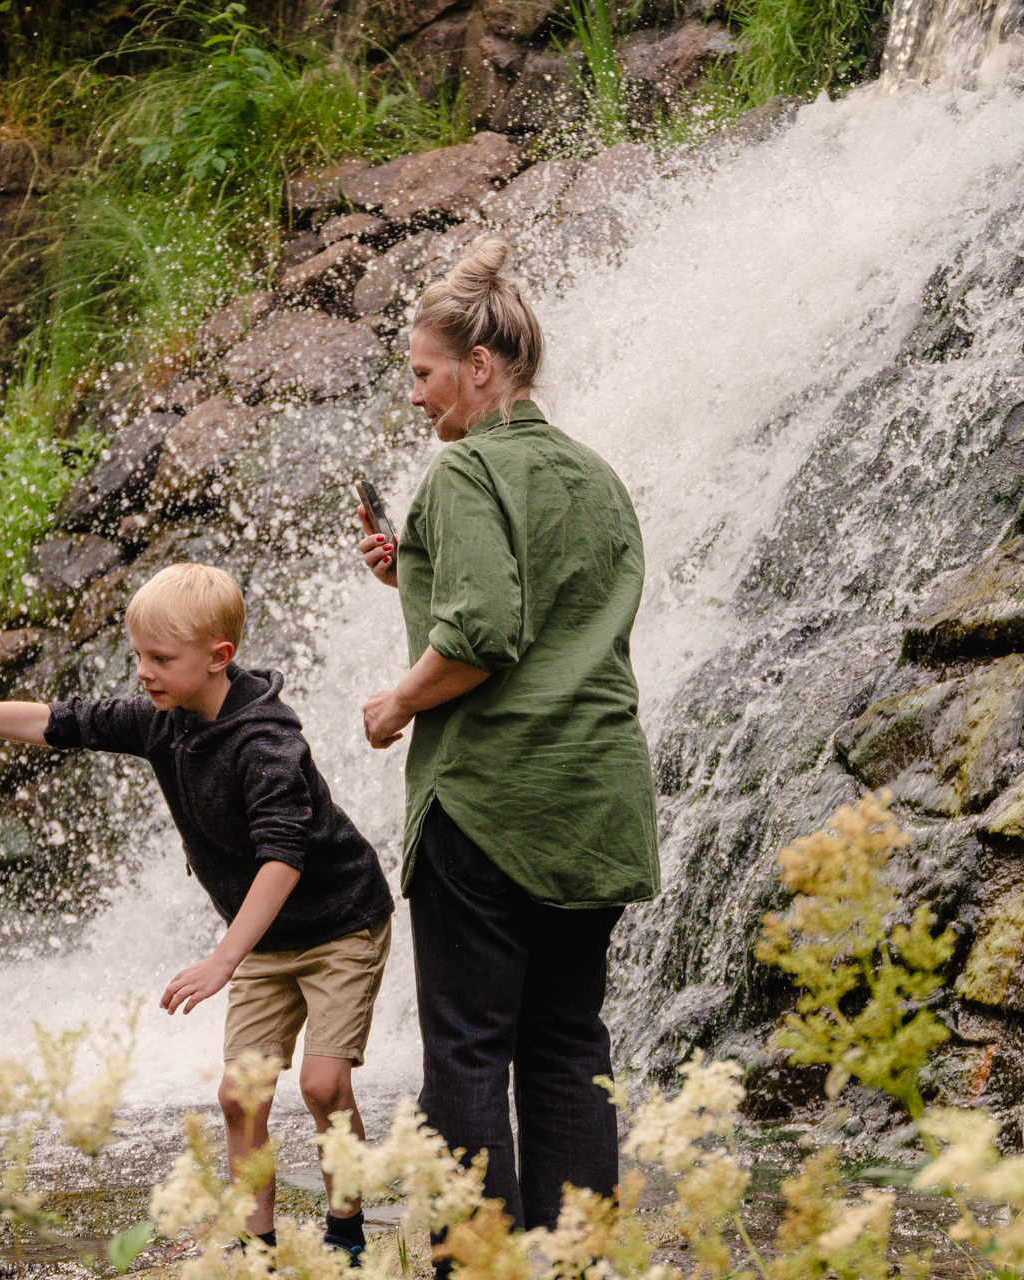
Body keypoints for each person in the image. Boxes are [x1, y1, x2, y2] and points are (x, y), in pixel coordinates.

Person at [0, 562, 395, 1263]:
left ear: (219, 658)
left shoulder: (267, 742)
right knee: (241, 1096)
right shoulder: (163, 720)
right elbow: (52, 722)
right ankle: (255, 1241)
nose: (143, 672)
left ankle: (347, 1233)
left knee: (323, 1084)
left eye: (160, 659)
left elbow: (283, 859)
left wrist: (222, 960)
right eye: (137, 656)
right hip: (265, 938)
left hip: (340, 924)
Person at [354, 238, 661, 1243]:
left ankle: (474, 1270)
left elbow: (483, 636)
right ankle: (575, 1265)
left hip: (488, 802)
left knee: (471, 1053)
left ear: (478, 366)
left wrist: (399, 701)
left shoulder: (465, 474)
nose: (415, 396)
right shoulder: (598, 476)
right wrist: (411, 568)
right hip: (596, 803)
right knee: (570, 1045)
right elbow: (555, 607)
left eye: (424, 373)